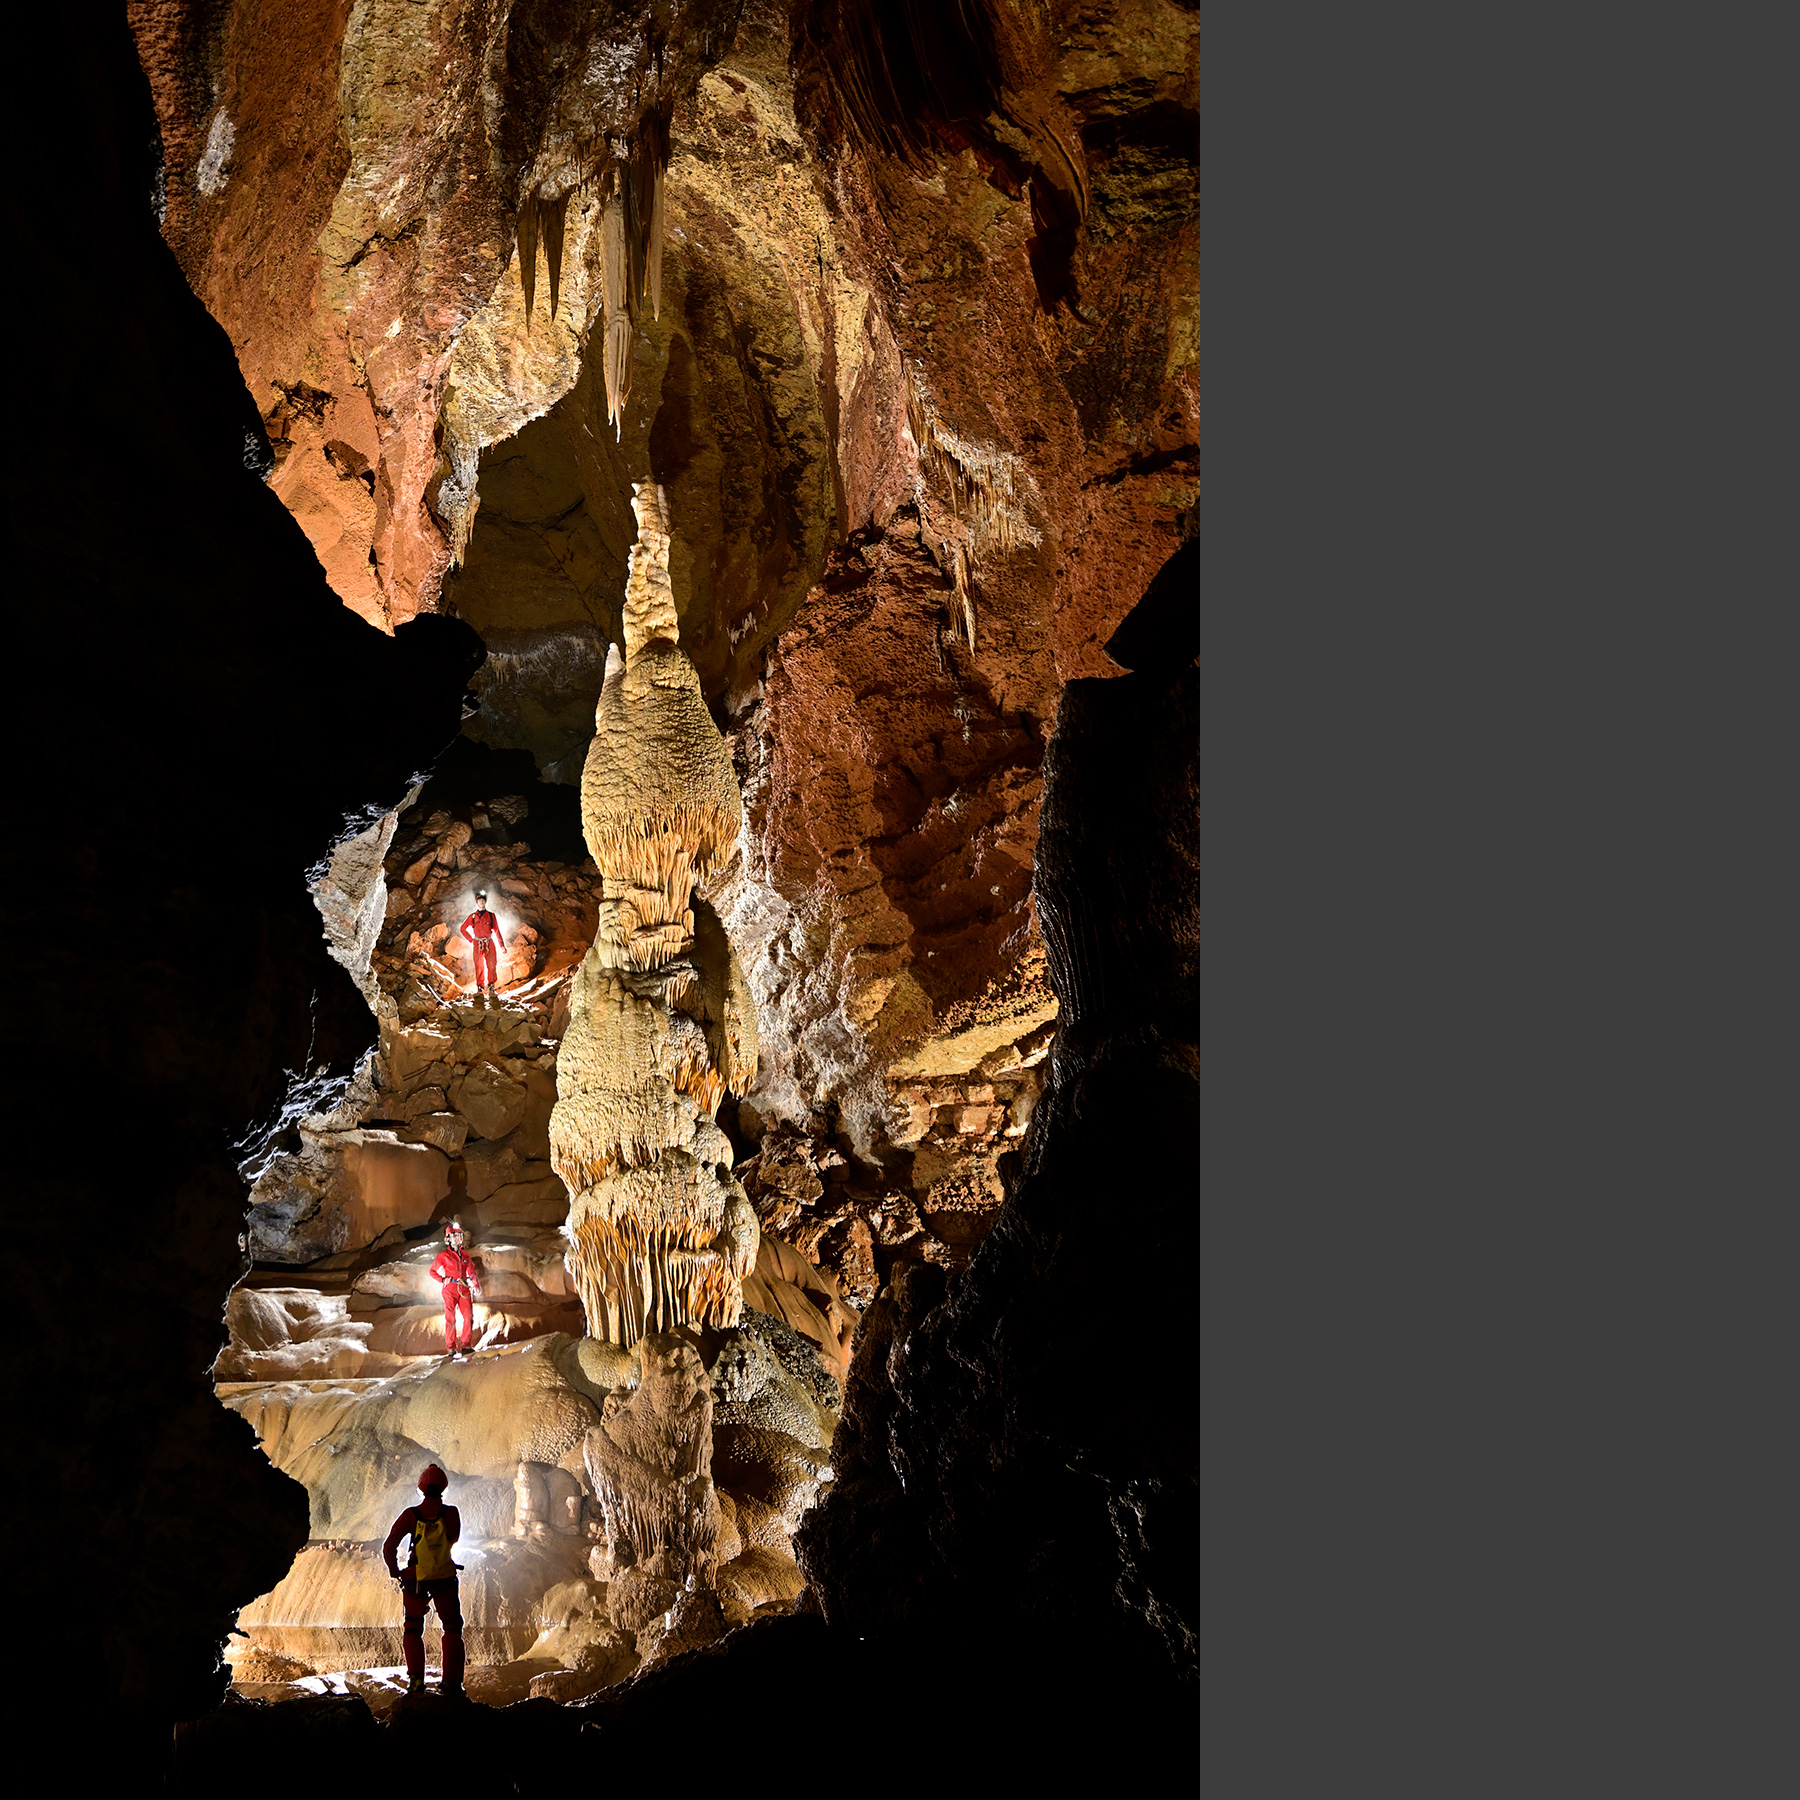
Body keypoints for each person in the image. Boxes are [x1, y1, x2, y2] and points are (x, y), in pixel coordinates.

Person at [382, 1463, 467, 1700]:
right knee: (451, 1627)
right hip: (444, 1577)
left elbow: (389, 1545)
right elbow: (455, 1537)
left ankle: (416, 1681)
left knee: (412, 1628)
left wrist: (395, 1571)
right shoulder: (451, 1513)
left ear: (421, 1488)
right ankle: (452, 1683)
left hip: (416, 1579)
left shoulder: (411, 1515)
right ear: (443, 1488)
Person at [429, 1218, 482, 1357]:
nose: (455, 1238)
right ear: (448, 1239)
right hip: (450, 1289)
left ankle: (466, 1345)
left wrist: (476, 1285)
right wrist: (442, 1279)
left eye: (457, 1235)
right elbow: (432, 1271)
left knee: (468, 1316)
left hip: (463, 1288)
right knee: (450, 1318)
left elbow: (471, 1271)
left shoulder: (465, 1255)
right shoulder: (443, 1256)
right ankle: (451, 1348)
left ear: (461, 1237)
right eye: (452, 1235)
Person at [460, 889, 505, 1001]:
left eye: (483, 900)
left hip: (489, 942)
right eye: (479, 900)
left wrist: (502, 945)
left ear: (485, 902)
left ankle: (491, 987)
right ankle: (480, 988)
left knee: (491, 964)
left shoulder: (491, 916)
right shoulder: (473, 917)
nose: (481, 902)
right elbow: (462, 929)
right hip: (477, 943)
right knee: (479, 965)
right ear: (476, 903)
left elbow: (497, 931)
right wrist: (471, 940)